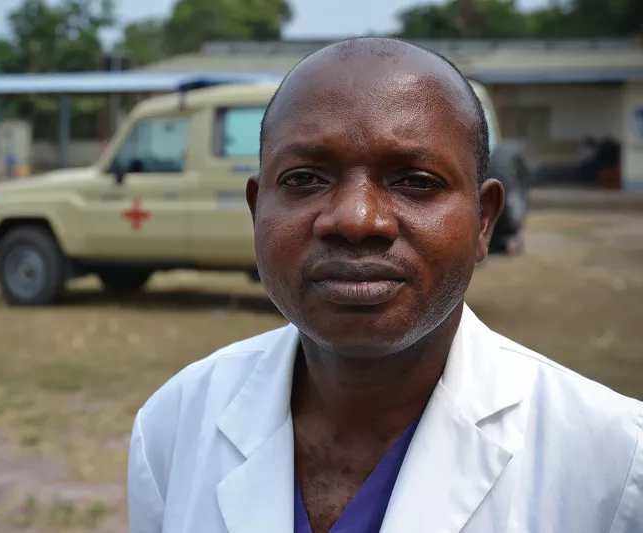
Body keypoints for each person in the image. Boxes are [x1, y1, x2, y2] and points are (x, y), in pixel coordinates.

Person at [127, 37, 642, 533]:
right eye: (305, 178)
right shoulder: (176, 423)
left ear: (484, 221)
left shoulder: (616, 464)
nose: (356, 219)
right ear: (257, 209)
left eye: (416, 181)